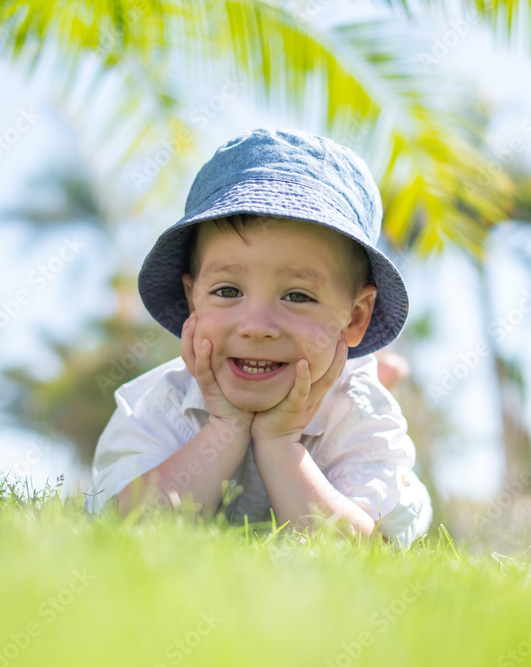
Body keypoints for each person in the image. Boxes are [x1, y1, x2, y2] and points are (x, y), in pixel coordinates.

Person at [85, 127, 431, 548]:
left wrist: (280, 443)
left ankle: (380, 371)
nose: (256, 326)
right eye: (227, 291)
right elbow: (126, 530)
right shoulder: (159, 403)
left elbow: (358, 554)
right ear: (193, 300)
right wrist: (225, 428)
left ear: (354, 318)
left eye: (298, 296)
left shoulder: (361, 417)